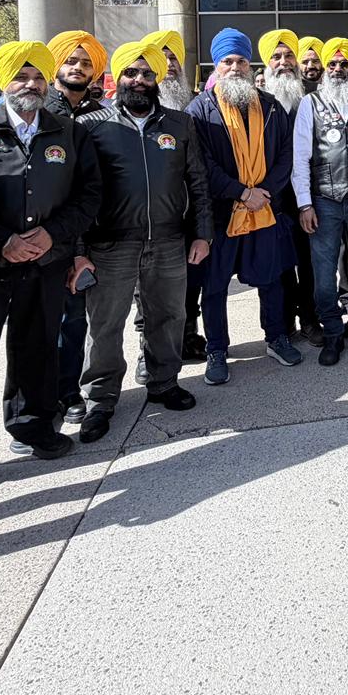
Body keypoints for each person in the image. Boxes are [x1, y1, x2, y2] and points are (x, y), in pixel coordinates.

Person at [0, 42, 102, 503]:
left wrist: (54, 236)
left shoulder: (67, 132)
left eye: (37, 76)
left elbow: (88, 197)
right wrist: (1, 240)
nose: (30, 84)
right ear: (3, 79)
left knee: (37, 349)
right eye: (20, 76)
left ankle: (33, 427)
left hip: (46, 263)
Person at [74, 43, 211, 442]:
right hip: (111, 244)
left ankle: (164, 382)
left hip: (169, 240)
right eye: (131, 73)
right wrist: (80, 251)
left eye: (147, 74)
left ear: (156, 80)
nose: (139, 80)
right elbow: (80, 193)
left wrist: (203, 233)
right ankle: (100, 399)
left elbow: (198, 182)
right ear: (117, 78)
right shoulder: (92, 125)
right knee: (105, 325)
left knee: (169, 317)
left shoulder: (180, 124)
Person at [187, 28, 299, 384]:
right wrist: (240, 192)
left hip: (264, 208)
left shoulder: (269, 106)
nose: (235, 67)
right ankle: (217, 350)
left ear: (249, 65)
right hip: (222, 214)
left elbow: (285, 155)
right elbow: (202, 166)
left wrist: (263, 190)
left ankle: (276, 337)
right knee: (216, 287)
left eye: (240, 61)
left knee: (271, 280)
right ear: (216, 66)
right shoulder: (200, 110)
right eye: (227, 61)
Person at [293, 36, 348, 363]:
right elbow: (300, 157)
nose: (337, 69)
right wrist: (304, 203)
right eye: (331, 64)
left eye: (344, 64)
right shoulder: (310, 104)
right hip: (324, 202)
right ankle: (332, 333)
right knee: (323, 273)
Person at [43, 30, 110, 424]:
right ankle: (41, 397)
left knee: (75, 319)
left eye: (86, 62)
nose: (78, 68)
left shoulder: (100, 113)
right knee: (45, 323)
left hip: (88, 233)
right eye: (71, 61)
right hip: (47, 236)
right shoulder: (39, 111)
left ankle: (69, 392)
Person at [257, 28, 318, 343]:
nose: (284, 62)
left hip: (306, 195)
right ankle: (279, 326)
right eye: (277, 57)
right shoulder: (256, 102)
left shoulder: (312, 97)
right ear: (267, 63)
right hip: (270, 197)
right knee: (276, 264)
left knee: (308, 262)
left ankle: (310, 318)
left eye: (289, 55)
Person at [143, 28, 192, 111]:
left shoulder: (194, 101)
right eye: (162, 58)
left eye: (173, 58)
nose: (169, 63)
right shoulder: (136, 102)